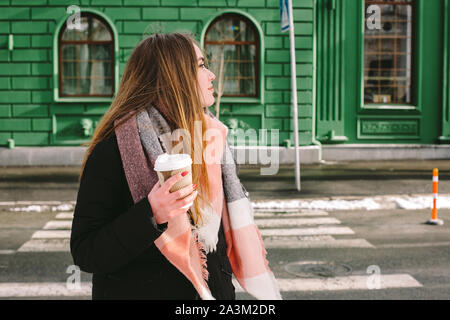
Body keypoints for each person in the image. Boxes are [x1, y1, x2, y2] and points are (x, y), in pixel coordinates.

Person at [70, 33, 281, 300]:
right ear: (173, 77)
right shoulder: (115, 150)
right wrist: (151, 214)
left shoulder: (212, 141)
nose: (211, 75)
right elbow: (86, 252)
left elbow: (215, 245)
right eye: (201, 65)